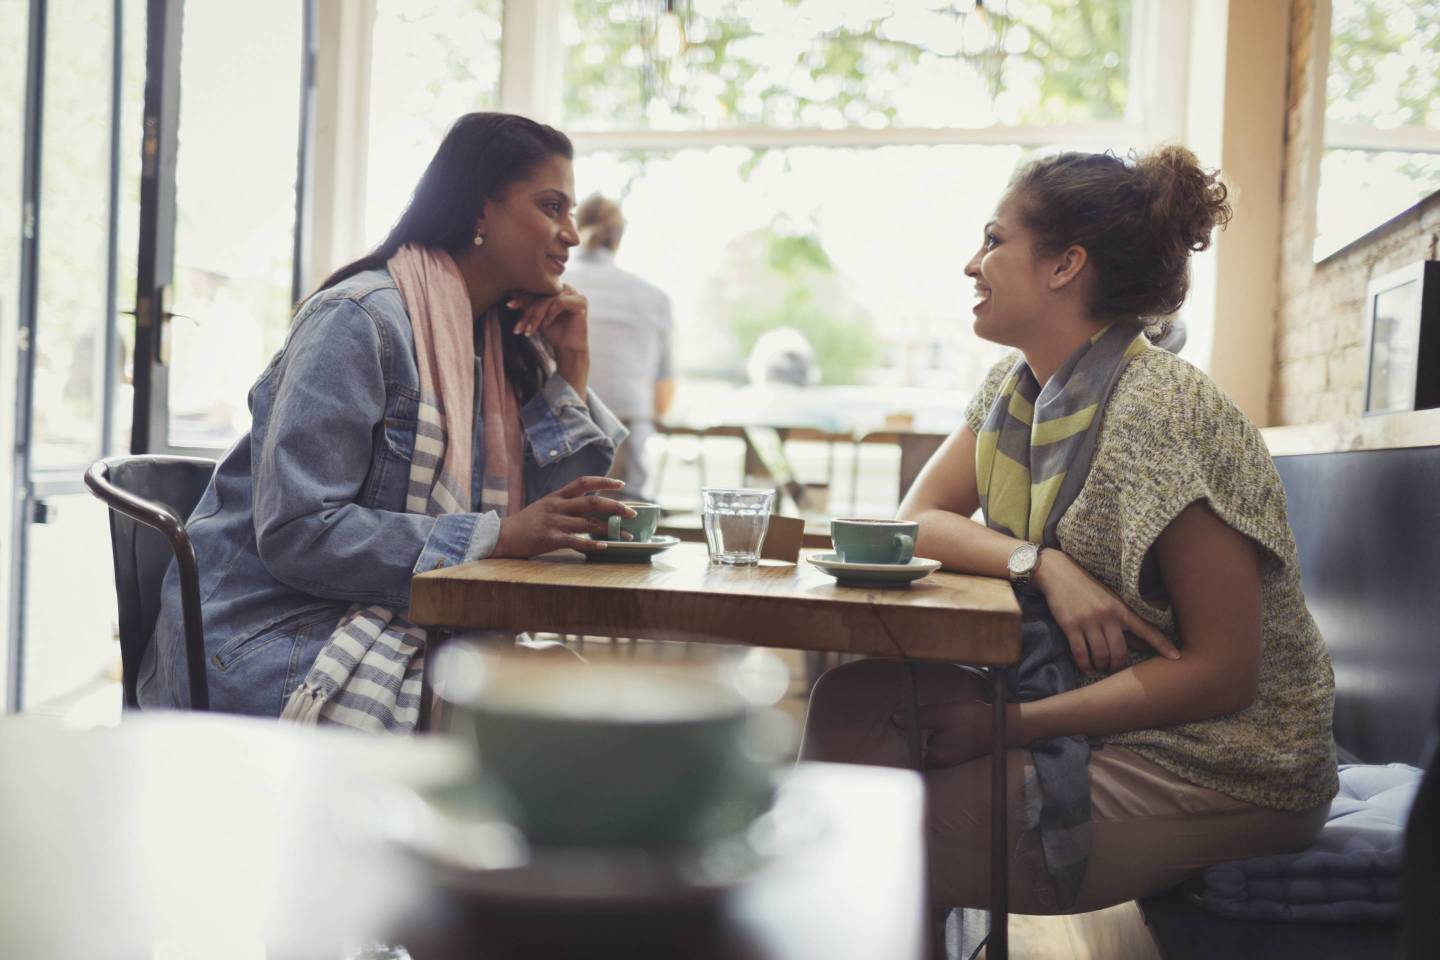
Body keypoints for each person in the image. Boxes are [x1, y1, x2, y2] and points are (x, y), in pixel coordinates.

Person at [801, 146, 1338, 916]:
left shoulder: (1162, 412)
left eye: (994, 240)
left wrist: (1008, 726)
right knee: (851, 705)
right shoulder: (1013, 387)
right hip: (1097, 702)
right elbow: (916, 522)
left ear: (1064, 267)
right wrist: (1040, 563)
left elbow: (1224, 673)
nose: (971, 264)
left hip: (1226, 762)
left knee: (872, 837)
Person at [137, 113, 632, 728]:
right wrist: (494, 538)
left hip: (399, 626)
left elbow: (559, 521)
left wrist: (572, 364)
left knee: (588, 704)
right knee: (548, 726)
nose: (571, 234)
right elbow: (299, 533)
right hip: (278, 641)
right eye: (551, 206)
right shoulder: (358, 318)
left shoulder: (497, 346)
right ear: (481, 211)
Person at [561, 194, 674, 500]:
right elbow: (663, 395)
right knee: (625, 531)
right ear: (619, 237)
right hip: (629, 434)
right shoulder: (654, 297)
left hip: (562, 432)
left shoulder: (556, 284)